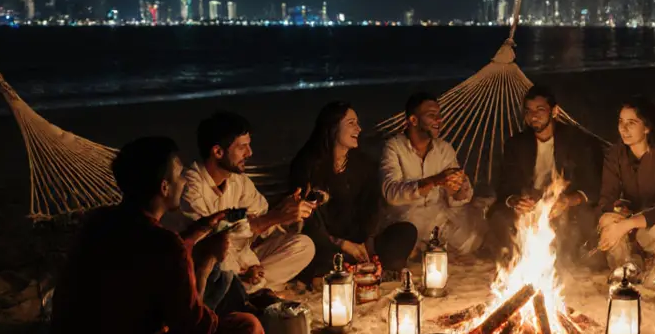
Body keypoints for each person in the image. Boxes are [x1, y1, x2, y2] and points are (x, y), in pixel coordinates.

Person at [50, 137, 268, 334]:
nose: (184, 183)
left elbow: (142, 255)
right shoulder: (163, 243)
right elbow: (194, 328)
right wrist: (206, 262)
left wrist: (196, 232)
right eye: (178, 177)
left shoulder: (98, 222)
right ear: (164, 188)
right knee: (247, 328)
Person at [180, 112, 316, 296]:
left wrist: (285, 212)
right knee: (220, 265)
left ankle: (250, 285)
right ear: (218, 152)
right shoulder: (191, 187)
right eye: (242, 147)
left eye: (249, 145)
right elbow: (210, 241)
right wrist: (263, 220)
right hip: (210, 267)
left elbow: (262, 219)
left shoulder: (239, 181)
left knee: (304, 245)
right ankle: (249, 287)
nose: (249, 153)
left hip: (243, 258)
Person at [288, 102, 419, 277]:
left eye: (357, 123)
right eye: (351, 123)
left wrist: (368, 241)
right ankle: (347, 270)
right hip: (325, 244)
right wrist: (340, 243)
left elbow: (372, 206)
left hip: (358, 244)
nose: (359, 128)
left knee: (406, 231)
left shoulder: (363, 164)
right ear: (333, 127)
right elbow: (308, 222)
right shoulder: (308, 165)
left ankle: (370, 268)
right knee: (314, 252)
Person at [486, 84, 602, 262]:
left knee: (586, 218)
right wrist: (516, 200)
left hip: (563, 204)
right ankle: (520, 258)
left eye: (540, 109)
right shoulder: (516, 144)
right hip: (531, 203)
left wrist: (568, 200)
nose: (533, 115)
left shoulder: (576, 140)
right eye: (528, 111)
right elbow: (505, 185)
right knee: (498, 216)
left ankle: (567, 256)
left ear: (554, 111)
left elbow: (593, 184)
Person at [379, 92, 485, 255]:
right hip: (406, 221)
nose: (439, 120)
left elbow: (458, 198)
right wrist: (435, 181)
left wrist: (458, 189)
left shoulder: (444, 149)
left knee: (471, 240)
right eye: (432, 116)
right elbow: (391, 192)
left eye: (439, 115)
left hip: (438, 219)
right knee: (400, 247)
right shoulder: (394, 148)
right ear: (413, 120)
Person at [596, 97, 655, 270]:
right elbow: (607, 198)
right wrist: (609, 213)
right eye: (621, 122)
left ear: (647, 127)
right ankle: (626, 271)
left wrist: (630, 223)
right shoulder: (615, 154)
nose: (624, 128)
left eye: (632, 123)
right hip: (629, 224)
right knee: (607, 223)